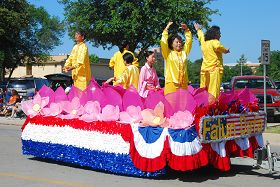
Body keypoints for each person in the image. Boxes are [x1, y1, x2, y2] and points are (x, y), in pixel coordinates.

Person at [194, 23, 230, 98]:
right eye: (219, 33)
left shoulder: (204, 42)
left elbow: (200, 36)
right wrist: (226, 50)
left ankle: (202, 106)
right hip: (214, 70)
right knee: (213, 91)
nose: (220, 35)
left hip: (204, 71)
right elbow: (218, 46)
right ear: (215, 34)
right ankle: (212, 107)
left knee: (203, 90)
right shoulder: (215, 41)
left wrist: (198, 30)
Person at [160, 21, 192, 95]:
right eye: (177, 42)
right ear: (171, 43)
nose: (179, 43)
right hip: (171, 83)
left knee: (183, 104)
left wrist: (186, 30)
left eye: (180, 42)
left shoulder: (184, 52)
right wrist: (166, 29)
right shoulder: (168, 53)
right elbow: (163, 42)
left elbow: (189, 42)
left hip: (183, 84)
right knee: (171, 104)